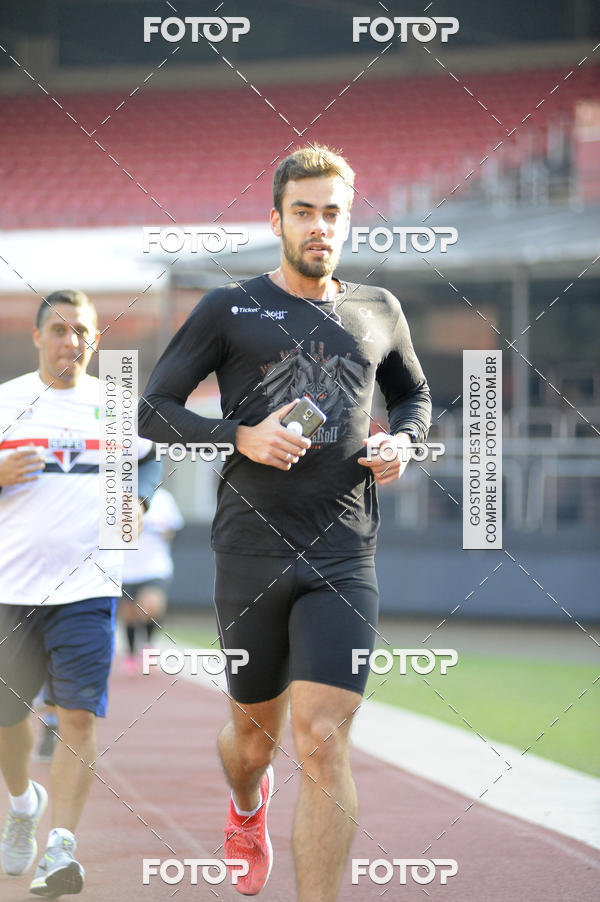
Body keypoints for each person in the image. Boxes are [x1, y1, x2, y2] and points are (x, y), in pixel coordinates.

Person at [138, 144, 432, 901]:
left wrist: (405, 441)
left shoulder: (380, 310)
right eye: (303, 211)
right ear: (277, 219)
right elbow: (153, 409)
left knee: (324, 739)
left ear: (347, 221)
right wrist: (239, 435)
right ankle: (245, 806)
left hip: (343, 553)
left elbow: (414, 397)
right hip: (249, 553)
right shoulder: (227, 308)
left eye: (332, 213)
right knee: (253, 742)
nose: (318, 226)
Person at [0, 289, 160, 897]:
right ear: (38, 338)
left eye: (84, 333)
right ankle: (22, 804)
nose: (73, 342)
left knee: (77, 715)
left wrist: (139, 500)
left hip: (89, 588)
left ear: (96, 341)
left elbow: (151, 460)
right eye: (60, 331)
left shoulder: (116, 406)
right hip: (10, 590)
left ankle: (60, 848)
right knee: (9, 719)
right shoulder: (8, 401)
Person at [120, 486, 184, 673]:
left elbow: (173, 530)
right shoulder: (116, 495)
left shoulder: (164, 498)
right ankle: (131, 654)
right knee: (129, 613)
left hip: (154, 566)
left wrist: (160, 529)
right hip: (126, 567)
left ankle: (148, 645)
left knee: (151, 605)